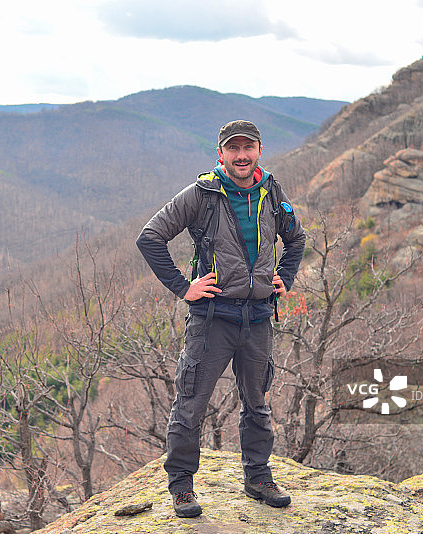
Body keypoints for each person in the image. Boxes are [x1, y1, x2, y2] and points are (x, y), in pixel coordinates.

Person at [136, 120, 306, 518]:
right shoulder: (202, 193)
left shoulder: (271, 191)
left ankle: (258, 477)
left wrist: (286, 276)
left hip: (259, 317)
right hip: (212, 318)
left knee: (257, 403)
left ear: (259, 151)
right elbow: (150, 237)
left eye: (249, 148)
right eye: (234, 149)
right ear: (221, 154)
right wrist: (184, 287)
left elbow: (296, 238)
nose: (242, 155)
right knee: (191, 404)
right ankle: (181, 487)